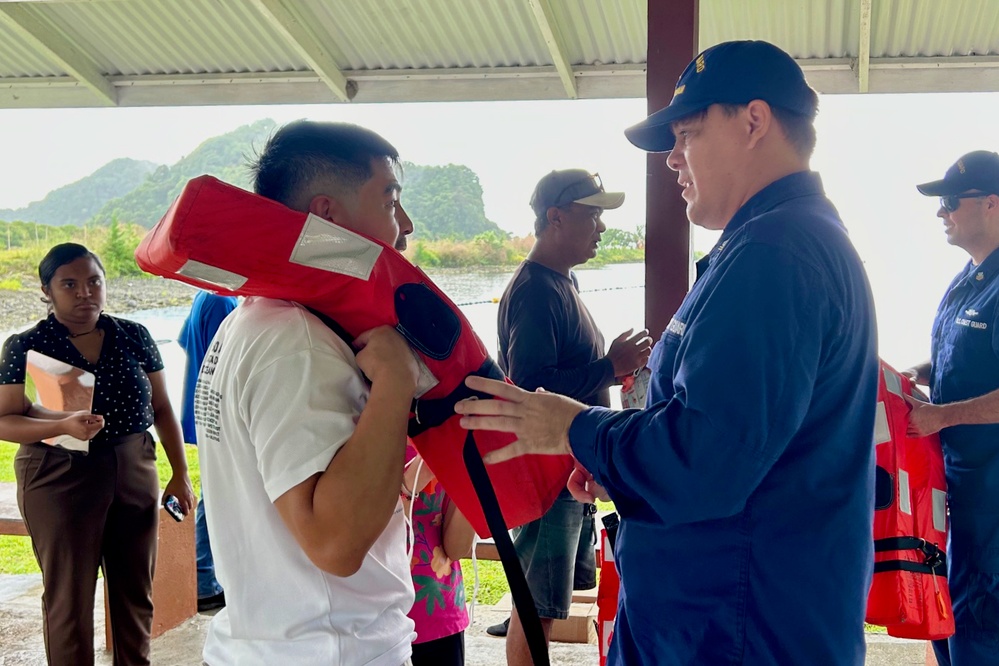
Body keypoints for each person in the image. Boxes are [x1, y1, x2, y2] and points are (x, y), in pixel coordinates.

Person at [455, 40, 879, 665]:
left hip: (735, 632)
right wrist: (615, 458)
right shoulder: (771, 243)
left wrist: (577, 428)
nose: (672, 161)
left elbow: (706, 461)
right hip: (719, 619)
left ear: (754, 121)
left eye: (687, 135)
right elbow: (720, 433)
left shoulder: (774, 256)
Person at [195, 120, 420, 665]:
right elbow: (334, 544)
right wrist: (396, 384)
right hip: (332, 649)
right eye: (390, 200)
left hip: (271, 642)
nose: (406, 224)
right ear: (325, 217)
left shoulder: (251, 321)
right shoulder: (297, 340)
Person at [0, 242, 195, 666]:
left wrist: (180, 473)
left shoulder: (134, 335)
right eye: (69, 284)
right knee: (69, 596)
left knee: (135, 591)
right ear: (46, 290)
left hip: (133, 466)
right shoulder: (27, 344)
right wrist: (61, 425)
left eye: (94, 281)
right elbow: (5, 420)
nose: (85, 292)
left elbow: (161, 409)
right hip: (58, 472)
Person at [490, 168, 651, 664]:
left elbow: (562, 375)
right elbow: (530, 389)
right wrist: (610, 366)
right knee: (534, 601)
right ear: (555, 218)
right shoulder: (536, 291)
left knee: (547, 600)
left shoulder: (564, 281)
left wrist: (611, 375)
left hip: (570, 466)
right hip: (547, 471)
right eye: (593, 214)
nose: (601, 227)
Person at [904, 150, 999, 666]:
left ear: (990, 203)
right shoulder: (970, 277)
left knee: (980, 636)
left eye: (949, 202)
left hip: (993, 509)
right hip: (958, 499)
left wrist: (942, 416)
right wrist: (915, 376)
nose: (941, 213)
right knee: (949, 628)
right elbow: (962, 359)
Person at [177, 289, 237, 612]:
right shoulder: (223, 301)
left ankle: (204, 578)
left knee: (214, 489)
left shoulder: (204, 295)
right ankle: (202, 579)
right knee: (217, 493)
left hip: (203, 408)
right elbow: (228, 362)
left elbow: (187, 343)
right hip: (219, 413)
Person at [402, 445, 475, 665]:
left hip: (440, 612)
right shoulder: (355, 424)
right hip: (373, 617)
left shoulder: (447, 433)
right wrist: (408, 486)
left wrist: (473, 482)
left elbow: (456, 549)